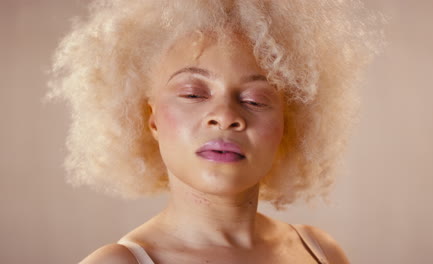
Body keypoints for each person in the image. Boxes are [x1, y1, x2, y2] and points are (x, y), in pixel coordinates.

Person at [46, 0, 381, 263]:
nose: (225, 116)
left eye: (254, 99)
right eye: (193, 93)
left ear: (288, 125)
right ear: (151, 120)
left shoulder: (319, 251)